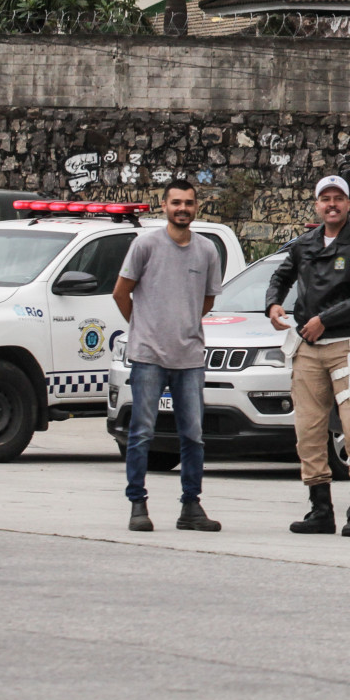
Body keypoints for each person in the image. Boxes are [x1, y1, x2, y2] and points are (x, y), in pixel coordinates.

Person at [267, 174, 350, 537]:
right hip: (308, 347)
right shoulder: (304, 244)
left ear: (348, 204)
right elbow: (281, 275)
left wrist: (324, 320)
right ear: (316, 204)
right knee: (309, 430)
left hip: (348, 347)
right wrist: (272, 304)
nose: (331, 204)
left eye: (338, 198)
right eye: (325, 199)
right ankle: (320, 508)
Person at [114, 179, 225, 532]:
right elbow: (121, 293)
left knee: (192, 435)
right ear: (164, 205)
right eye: (176, 202)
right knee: (141, 433)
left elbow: (208, 300)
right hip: (148, 355)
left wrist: (183, 323)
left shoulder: (207, 251)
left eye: (189, 203)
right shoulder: (145, 245)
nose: (182, 209)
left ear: (196, 208)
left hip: (189, 357)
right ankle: (137, 505)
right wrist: (143, 327)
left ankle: (190, 506)